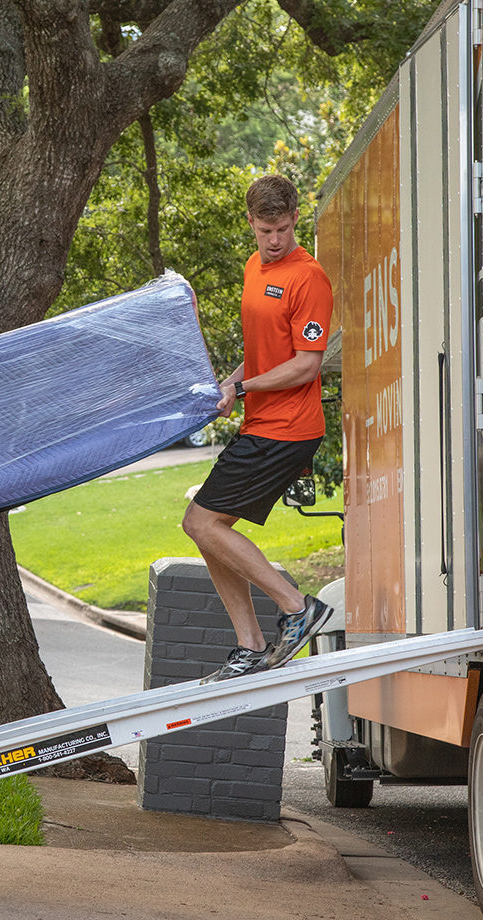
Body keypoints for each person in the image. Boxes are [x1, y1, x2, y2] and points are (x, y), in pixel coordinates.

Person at [183, 174, 334, 682]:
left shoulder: (307, 277)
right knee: (210, 532)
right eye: (266, 229)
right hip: (262, 422)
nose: (275, 240)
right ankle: (249, 647)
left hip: (289, 427)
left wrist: (245, 391)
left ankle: (297, 609)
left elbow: (305, 365)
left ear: (295, 221)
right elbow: (261, 353)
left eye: (285, 229)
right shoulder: (253, 268)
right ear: (251, 222)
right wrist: (229, 384)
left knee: (200, 523)